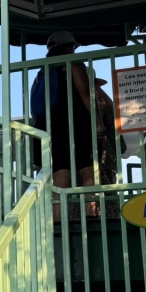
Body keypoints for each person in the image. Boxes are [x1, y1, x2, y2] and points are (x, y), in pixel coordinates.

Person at [32, 31, 97, 218]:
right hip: (73, 122)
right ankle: (91, 216)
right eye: (73, 47)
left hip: (48, 125)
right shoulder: (72, 63)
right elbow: (85, 93)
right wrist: (98, 122)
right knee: (89, 171)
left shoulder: (42, 71)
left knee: (61, 174)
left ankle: (58, 223)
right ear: (68, 47)